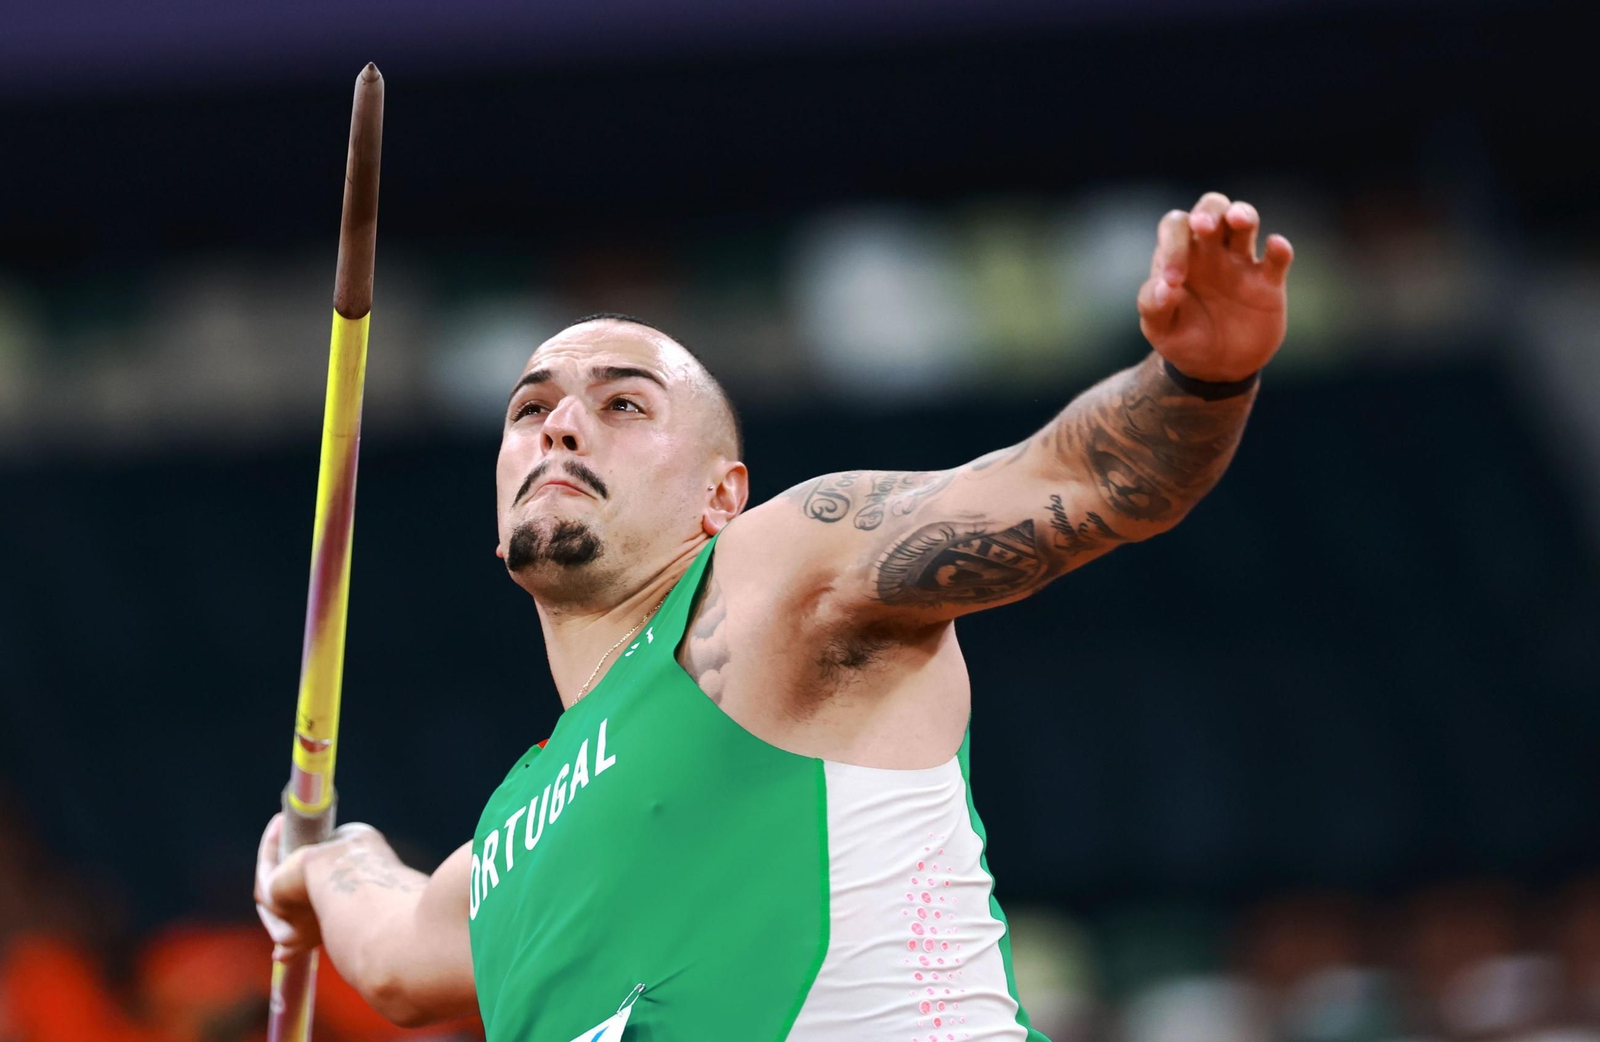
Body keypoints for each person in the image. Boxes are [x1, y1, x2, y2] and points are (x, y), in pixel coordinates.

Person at [256, 191, 1293, 1042]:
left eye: (622, 405)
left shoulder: (773, 583)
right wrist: (314, 860)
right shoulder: (511, 841)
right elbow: (393, 955)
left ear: (721, 498)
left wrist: (1198, 377)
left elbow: (1079, 481)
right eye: (529, 410)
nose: (560, 423)